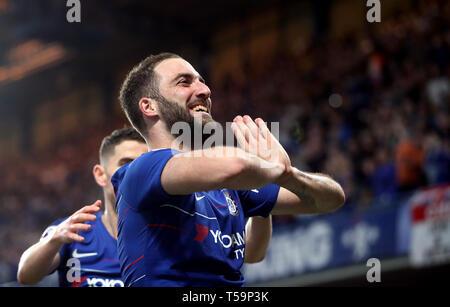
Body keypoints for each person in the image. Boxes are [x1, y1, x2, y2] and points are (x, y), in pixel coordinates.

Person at [113, 52, 345, 286]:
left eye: (201, 80)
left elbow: (331, 199)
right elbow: (235, 166)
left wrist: (289, 175)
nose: (205, 90)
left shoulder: (230, 182)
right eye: (184, 82)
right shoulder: (141, 171)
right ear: (148, 105)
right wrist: (271, 168)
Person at [16, 127, 272, 287]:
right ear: (101, 174)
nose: (133, 172)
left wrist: (263, 202)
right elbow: (26, 274)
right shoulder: (76, 230)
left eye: (142, 164)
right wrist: (53, 240)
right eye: (125, 162)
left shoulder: (179, 223)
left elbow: (251, 254)